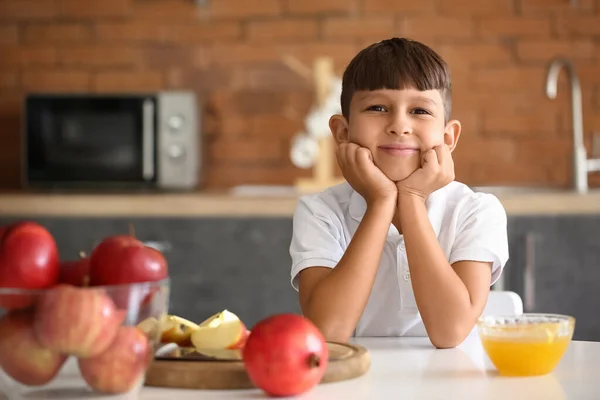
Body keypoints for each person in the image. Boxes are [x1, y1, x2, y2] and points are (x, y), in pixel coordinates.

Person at [288, 37, 509, 349]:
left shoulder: (476, 210)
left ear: (448, 137)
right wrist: (381, 201)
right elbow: (328, 332)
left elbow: (450, 332)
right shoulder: (320, 211)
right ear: (342, 132)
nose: (399, 125)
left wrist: (412, 200)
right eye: (377, 107)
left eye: (419, 110)